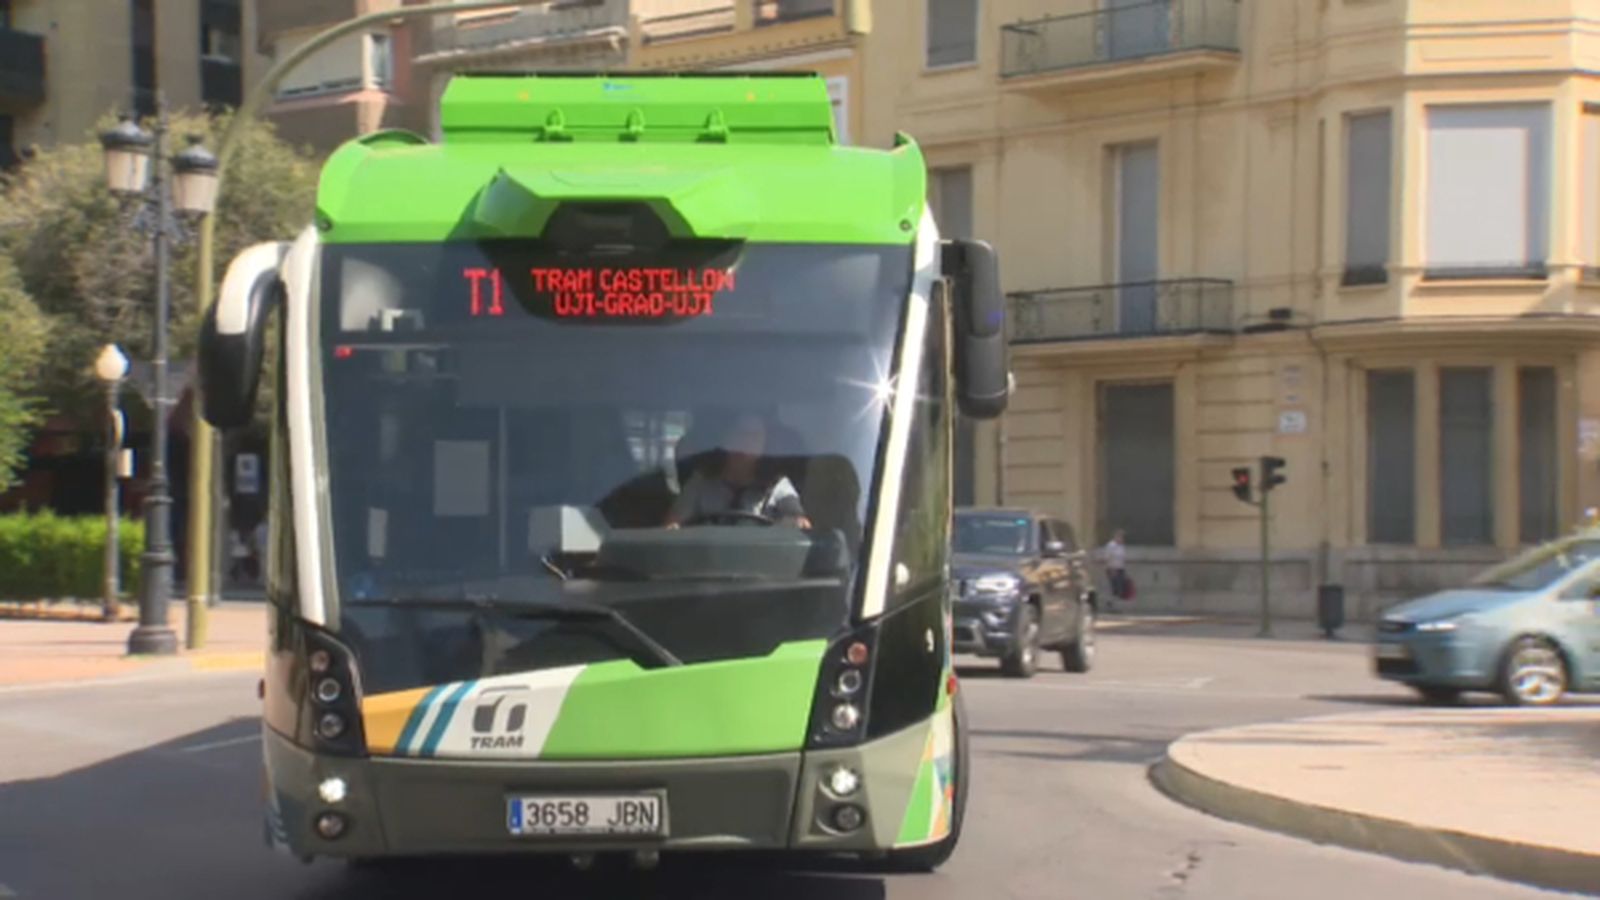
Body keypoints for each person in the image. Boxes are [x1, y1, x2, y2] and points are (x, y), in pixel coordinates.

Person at [665, 414, 811, 529]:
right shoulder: (701, 482)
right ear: (725, 440)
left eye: (754, 436)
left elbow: (797, 517)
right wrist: (675, 526)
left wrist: (796, 520)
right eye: (740, 435)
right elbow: (672, 526)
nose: (746, 443)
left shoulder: (777, 485)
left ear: (764, 446)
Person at [1099, 528, 1132, 603]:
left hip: (1121, 569)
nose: (1122, 539)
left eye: (1123, 537)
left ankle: (1113, 602)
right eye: (1120, 537)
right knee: (1115, 587)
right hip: (1113, 569)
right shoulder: (1111, 545)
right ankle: (1110, 602)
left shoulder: (1121, 546)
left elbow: (1122, 558)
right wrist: (1111, 569)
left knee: (1121, 587)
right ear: (1116, 536)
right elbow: (1107, 558)